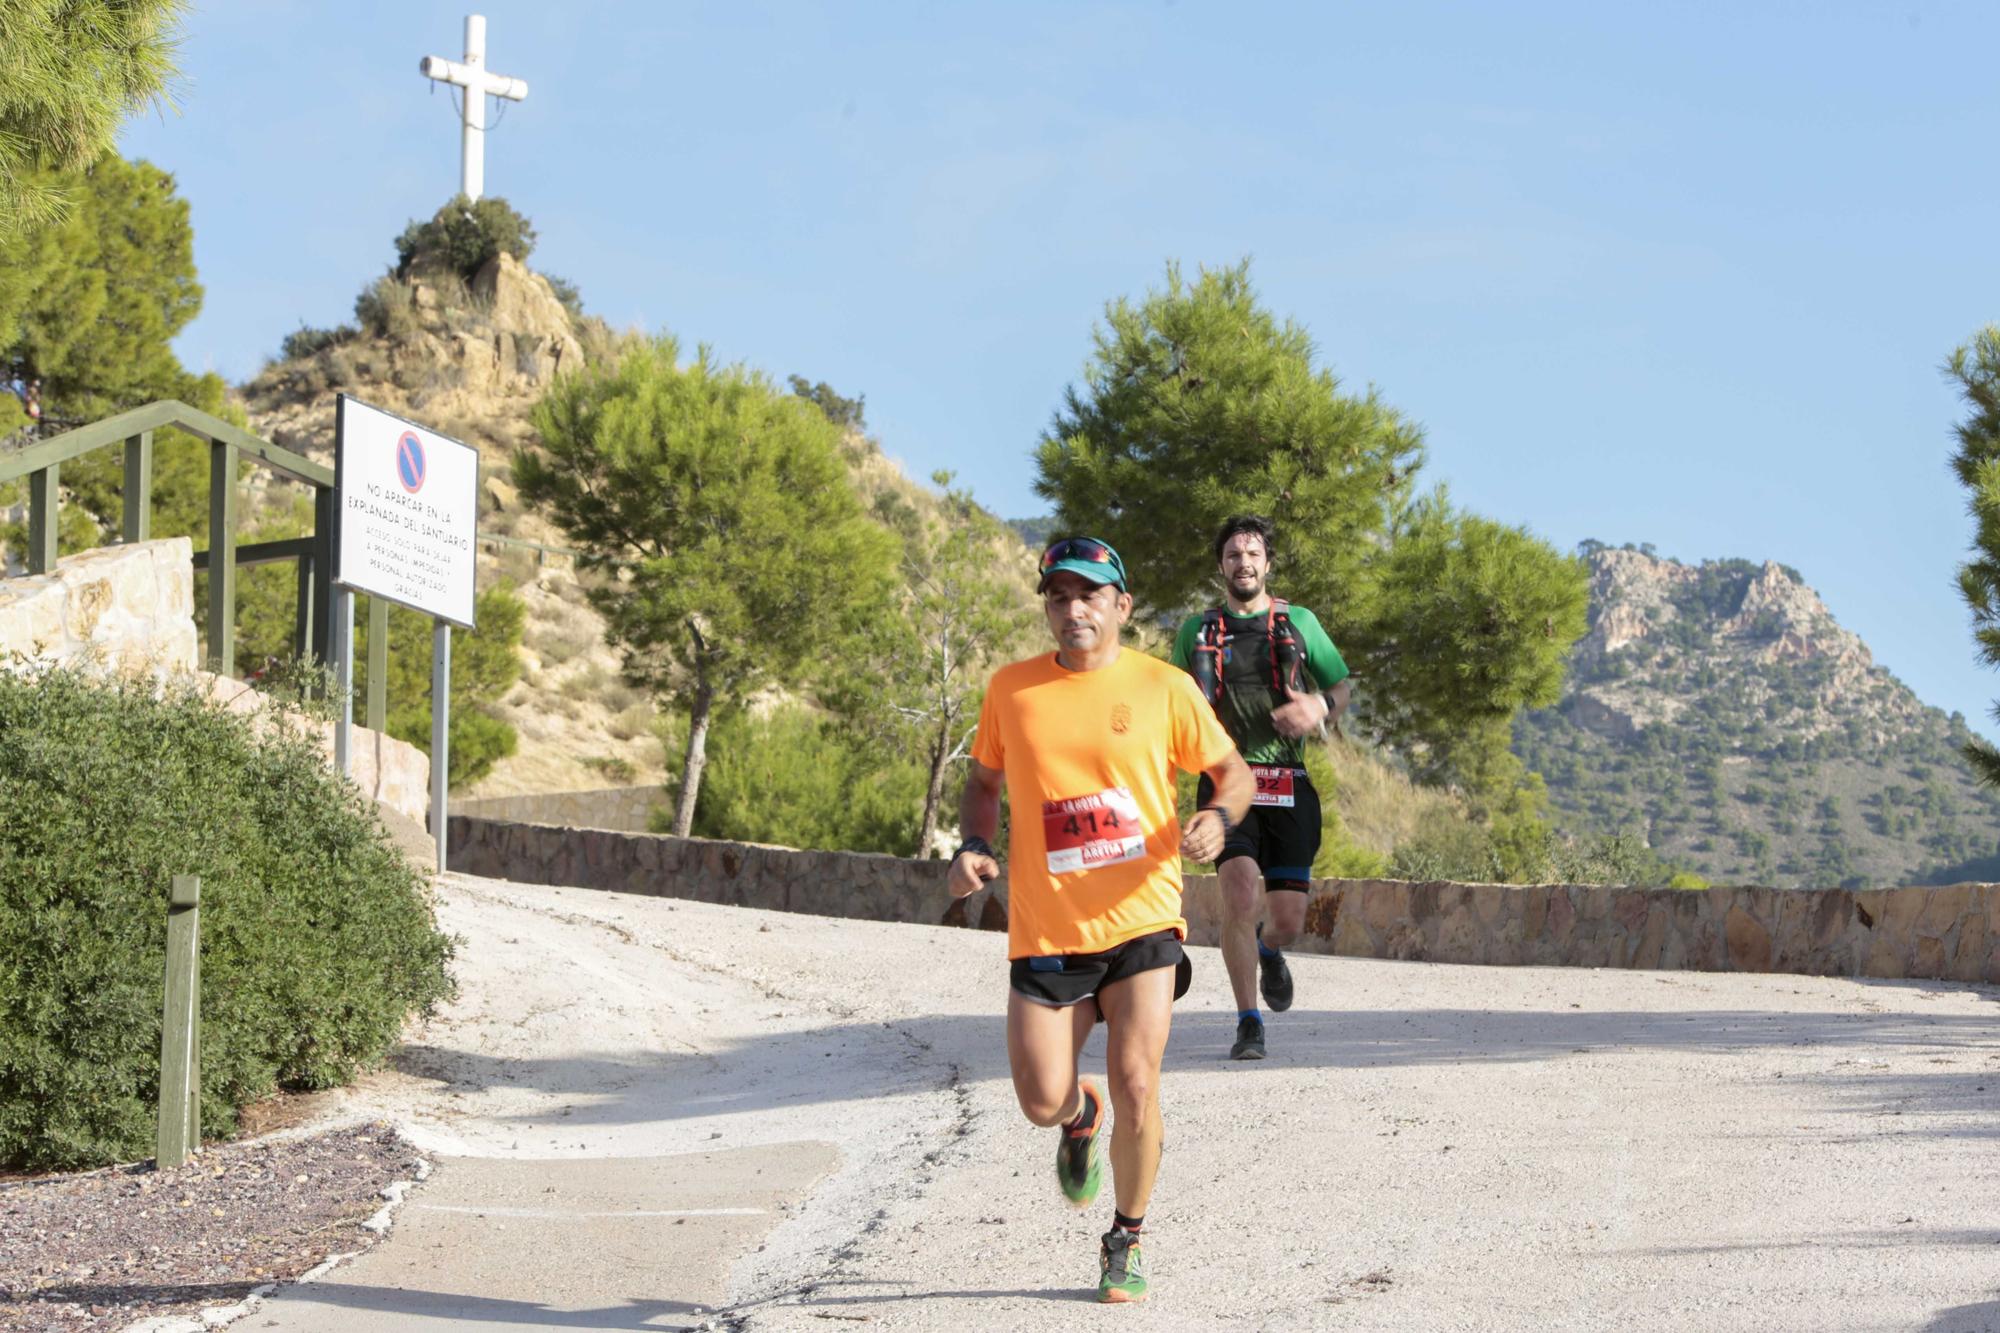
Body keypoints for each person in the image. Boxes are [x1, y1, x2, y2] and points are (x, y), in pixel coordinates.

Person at [950, 535, 1251, 1304]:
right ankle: (1078, 1114)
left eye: (1089, 594)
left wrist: (1217, 816)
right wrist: (975, 843)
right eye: (1058, 595)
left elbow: (1233, 773)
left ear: (1122, 605)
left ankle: (1127, 1236)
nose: (1073, 608)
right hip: (1049, 934)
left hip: (1144, 921)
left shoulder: (1165, 687)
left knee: (1139, 1082)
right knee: (1038, 1099)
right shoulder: (1011, 690)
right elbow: (983, 782)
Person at [1170, 515, 1351, 1061]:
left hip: (1288, 782)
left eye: (1252, 554)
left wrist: (1318, 705)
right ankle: (1249, 1021)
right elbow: (1171, 703)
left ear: (1267, 564)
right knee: (1241, 895)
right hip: (1226, 782)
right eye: (1232, 555)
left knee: (1289, 921)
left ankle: (1271, 951)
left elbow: (1341, 685)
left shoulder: (1300, 623)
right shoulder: (1194, 632)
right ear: (1220, 566)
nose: (1242, 563)